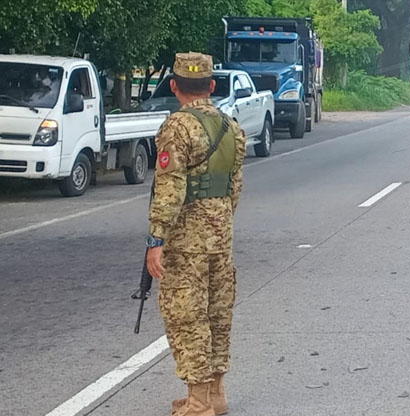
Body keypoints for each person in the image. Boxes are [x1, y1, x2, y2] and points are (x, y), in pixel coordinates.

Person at [145, 52, 246, 416]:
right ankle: (215, 393)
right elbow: (234, 188)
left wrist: (156, 239)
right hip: (221, 236)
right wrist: (218, 221)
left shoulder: (177, 126)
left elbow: (169, 187)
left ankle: (198, 402)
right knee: (217, 311)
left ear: (174, 86)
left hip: (186, 239)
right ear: (212, 85)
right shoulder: (231, 126)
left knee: (186, 315)